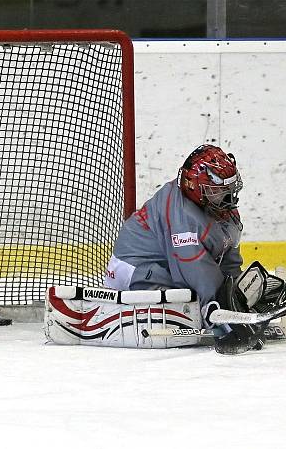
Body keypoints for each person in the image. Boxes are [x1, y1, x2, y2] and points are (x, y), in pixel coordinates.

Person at [104, 144, 271, 355]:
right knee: (189, 297)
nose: (229, 199)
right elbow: (197, 274)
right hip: (134, 270)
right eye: (218, 192)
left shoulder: (219, 207)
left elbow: (228, 259)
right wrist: (224, 318)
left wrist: (237, 295)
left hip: (167, 266)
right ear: (195, 189)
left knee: (203, 292)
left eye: (229, 191)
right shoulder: (183, 219)